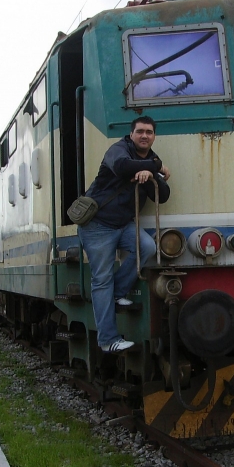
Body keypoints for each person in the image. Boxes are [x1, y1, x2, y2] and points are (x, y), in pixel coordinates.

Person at [78, 116, 170, 353]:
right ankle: (108, 340)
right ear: (131, 135)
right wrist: (156, 167)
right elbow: (122, 167)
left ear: (153, 136)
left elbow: (164, 193)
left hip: (122, 225)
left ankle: (118, 294)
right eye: (140, 131)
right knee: (101, 280)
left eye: (149, 132)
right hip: (97, 225)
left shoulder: (149, 159)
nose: (144, 136)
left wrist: (150, 175)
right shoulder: (117, 150)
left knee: (147, 247)